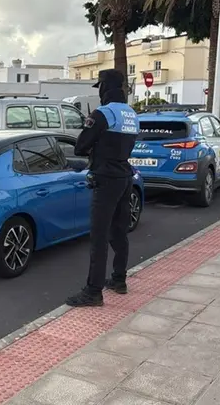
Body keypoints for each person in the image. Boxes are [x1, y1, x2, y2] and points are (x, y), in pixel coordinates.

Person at [65, 69, 140, 308]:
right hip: (125, 176)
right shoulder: (131, 114)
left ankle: (93, 291)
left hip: (105, 179)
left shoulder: (103, 114)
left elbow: (80, 146)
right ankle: (119, 280)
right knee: (119, 232)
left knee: (98, 236)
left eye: (100, 87)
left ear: (105, 87)